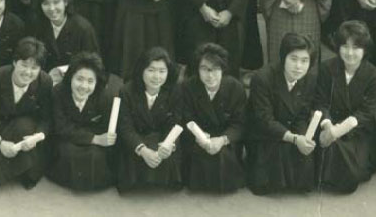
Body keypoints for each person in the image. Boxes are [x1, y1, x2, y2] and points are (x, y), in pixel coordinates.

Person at [246, 31, 321, 194]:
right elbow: (264, 119)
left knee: (306, 157)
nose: (299, 66)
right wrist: (294, 139)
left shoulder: (310, 79)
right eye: (293, 59)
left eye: (304, 60)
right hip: (264, 133)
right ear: (283, 57)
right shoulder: (262, 78)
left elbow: (302, 114)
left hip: (292, 128)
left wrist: (303, 137)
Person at [313, 22, 376, 194]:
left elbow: (366, 113)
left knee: (352, 174)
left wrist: (336, 132)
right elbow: (320, 101)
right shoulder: (326, 68)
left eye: (356, 47)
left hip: (358, 130)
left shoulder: (375, 76)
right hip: (328, 123)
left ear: (365, 49)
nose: (350, 53)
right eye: (345, 46)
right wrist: (328, 126)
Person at [0, 37, 54, 189]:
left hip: (26, 134)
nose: (28, 72)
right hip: (0, 131)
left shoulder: (45, 81)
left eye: (34, 68)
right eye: (24, 65)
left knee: (24, 126)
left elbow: (47, 118)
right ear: (14, 62)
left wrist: (37, 137)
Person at [176, 42, 247, 193]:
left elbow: (240, 124)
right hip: (198, 137)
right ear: (197, 69)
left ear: (223, 69)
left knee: (223, 155)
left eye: (215, 69)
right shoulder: (187, 87)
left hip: (225, 138)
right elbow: (185, 118)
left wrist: (222, 139)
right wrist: (200, 137)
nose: (210, 75)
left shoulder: (235, 88)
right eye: (204, 69)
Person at [48, 51, 120, 191]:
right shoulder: (58, 92)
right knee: (66, 151)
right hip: (67, 136)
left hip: (95, 135)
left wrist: (99, 139)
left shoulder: (106, 97)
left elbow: (105, 127)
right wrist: (94, 139)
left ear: (97, 82)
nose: (83, 86)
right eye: (79, 79)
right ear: (70, 78)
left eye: (90, 81)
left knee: (95, 155)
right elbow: (61, 127)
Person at [116, 46, 184, 192]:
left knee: (169, 152)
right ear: (141, 70)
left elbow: (175, 123)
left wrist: (168, 145)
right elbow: (125, 127)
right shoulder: (126, 91)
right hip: (137, 139)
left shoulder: (175, 90)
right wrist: (143, 150)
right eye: (151, 70)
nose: (156, 76)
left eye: (162, 71)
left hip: (161, 139)